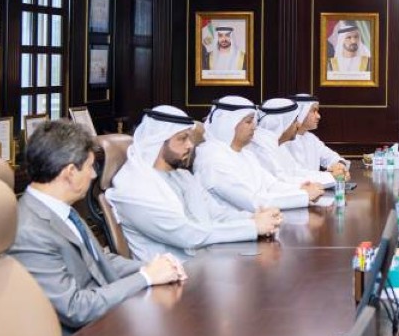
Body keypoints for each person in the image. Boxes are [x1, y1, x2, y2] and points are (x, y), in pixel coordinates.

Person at [9, 119, 186, 336]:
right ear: (70, 172)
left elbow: (100, 259)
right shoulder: (30, 231)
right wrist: (146, 277)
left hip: (106, 321)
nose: (94, 174)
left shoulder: (61, 208)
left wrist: (153, 267)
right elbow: (75, 308)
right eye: (90, 166)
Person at [107, 106, 282, 262]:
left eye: (189, 138)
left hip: (206, 261)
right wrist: (252, 227)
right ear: (158, 142)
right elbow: (187, 235)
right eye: (182, 139)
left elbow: (216, 213)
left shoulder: (182, 176)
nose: (190, 145)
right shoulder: (135, 189)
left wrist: (254, 218)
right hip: (172, 277)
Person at [192, 96, 324, 212]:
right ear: (228, 124)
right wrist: (303, 195)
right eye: (248, 121)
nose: (254, 127)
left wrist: (300, 189)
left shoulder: (244, 154)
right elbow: (252, 201)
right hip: (234, 227)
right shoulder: (213, 158)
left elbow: (271, 185)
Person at [249, 98, 335, 187]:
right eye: (294, 121)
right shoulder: (261, 147)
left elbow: (296, 171)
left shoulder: (277, 144)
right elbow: (281, 182)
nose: (298, 124)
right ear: (282, 123)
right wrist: (330, 177)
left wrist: (330, 176)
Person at [283, 93, 349, 180]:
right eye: (314, 111)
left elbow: (331, 157)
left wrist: (340, 166)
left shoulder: (311, 138)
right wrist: (330, 175)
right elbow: (296, 174)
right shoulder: (284, 140)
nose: (318, 116)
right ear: (300, 112)